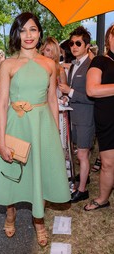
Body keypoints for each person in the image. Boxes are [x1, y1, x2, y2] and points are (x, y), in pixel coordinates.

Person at [0, 12, 71, 247]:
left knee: (41, 172)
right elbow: (3, 104)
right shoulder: (8, 64)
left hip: (42, 126)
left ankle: (39, 221)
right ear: (17, 33)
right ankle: (10, 212)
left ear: (39, 33)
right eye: (23, 30)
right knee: (13, 173)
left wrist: (55, 136)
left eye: (33, 29)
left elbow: (53, 101)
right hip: (17, 124)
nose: (28, 35)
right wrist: (3, 141)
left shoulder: (49, 64)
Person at [58, 26, 95, 203]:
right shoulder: (74, 65)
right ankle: (82, 178)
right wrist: (66, 98)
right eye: (71, 43)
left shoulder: (92, 66)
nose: (73, 46)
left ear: (87, 45)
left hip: (86, 119)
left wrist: (70, 91)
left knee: (81, 155)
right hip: (74, 117)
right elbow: (72, 93)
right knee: (80, 154)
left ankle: (82, 191)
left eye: (78, 43)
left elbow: (92, 97)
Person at [84, 24, 114, 211]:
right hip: (109, 120)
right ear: (109, 38)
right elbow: (92, 89)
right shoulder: (100, 61)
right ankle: (103, 199)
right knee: (108, 163)